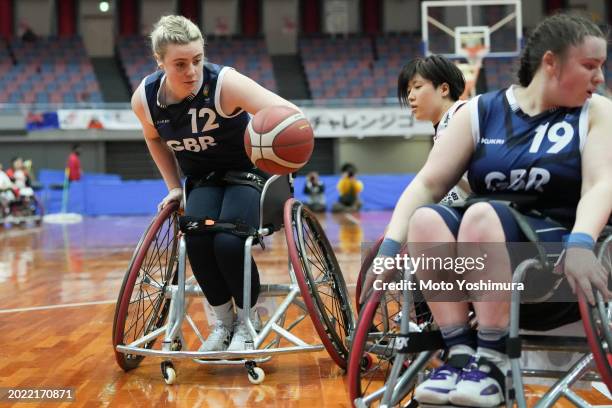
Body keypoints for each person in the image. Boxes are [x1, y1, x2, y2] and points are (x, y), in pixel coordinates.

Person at [361, 13, 611, 407]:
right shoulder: (480, 111)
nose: (599, 78)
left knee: (480, 215)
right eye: (590, 66)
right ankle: (459, 352)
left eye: (601, 67)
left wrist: (582, 242)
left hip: (555, 254)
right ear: (551, 63)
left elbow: (601, 183)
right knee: (426, 219)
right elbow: (427, 183)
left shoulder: (596, 112)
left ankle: (492, 360)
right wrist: (390, 248)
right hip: (483, 257)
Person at [131, 15, 301, 352]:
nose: (191, 71)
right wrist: (174, 188)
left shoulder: (225, 83)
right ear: (159, 62)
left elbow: (289, 113)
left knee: (227, 242)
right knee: (196, 242)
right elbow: (153, 139)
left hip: (249, 173)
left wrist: (281, 152)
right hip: (204, 179)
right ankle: (223, 323)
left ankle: (248, 321)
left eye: (197, 60)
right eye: (180, 64)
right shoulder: (146, 99)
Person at [397, 54, 471, 206]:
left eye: (417, 87)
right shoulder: (446, 124)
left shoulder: (460, 116)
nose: (410, 97)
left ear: (444, 89)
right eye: (408, 90)